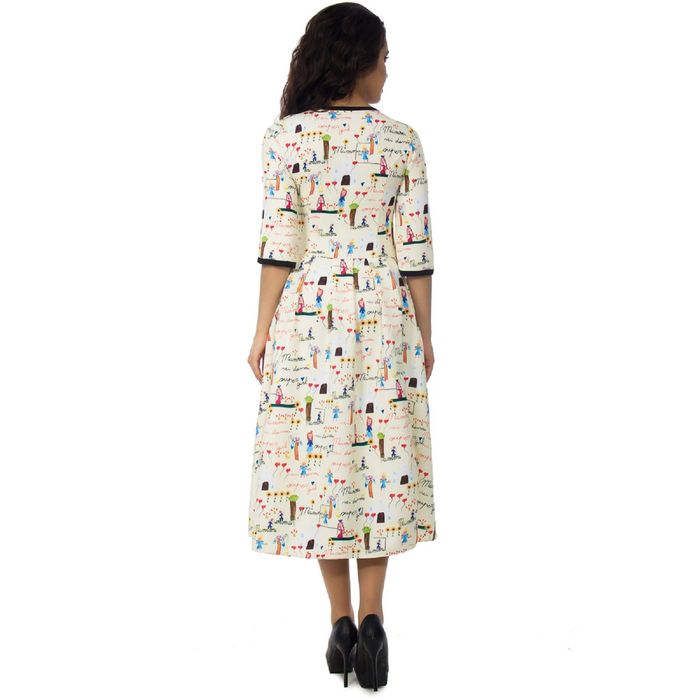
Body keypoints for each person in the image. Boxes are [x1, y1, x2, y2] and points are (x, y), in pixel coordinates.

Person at [246, 2, 437, 689]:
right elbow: (415, 249)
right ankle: (375, 616)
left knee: (321, 464)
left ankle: (339, 621)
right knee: (377, 468)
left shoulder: (285, 138)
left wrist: (262, 330)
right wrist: (426, 334)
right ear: (358, 60)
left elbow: (279, 242)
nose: (387, 72)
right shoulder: (401, 141)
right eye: (383, 59)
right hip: (383, 311)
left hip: (309, 314)